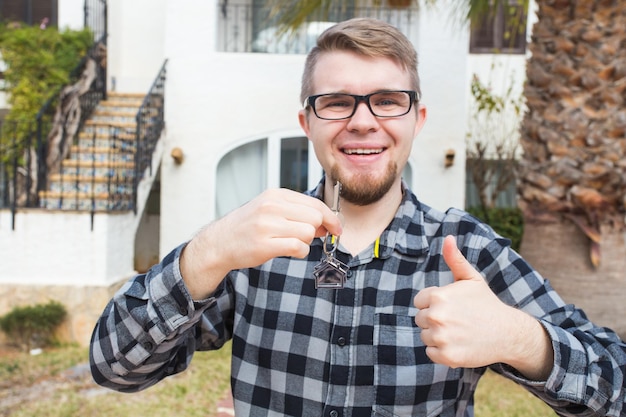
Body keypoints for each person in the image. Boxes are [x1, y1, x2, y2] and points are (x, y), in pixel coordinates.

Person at [89, 17, 626, 417]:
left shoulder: (470, 251)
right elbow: (113, 366)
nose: (363, 122)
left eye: (387, 101)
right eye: (337, 101)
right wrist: (204, 255)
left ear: (416, 119)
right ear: (307, 120)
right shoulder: (251, 243)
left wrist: (519, 337)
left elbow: (617, 386)